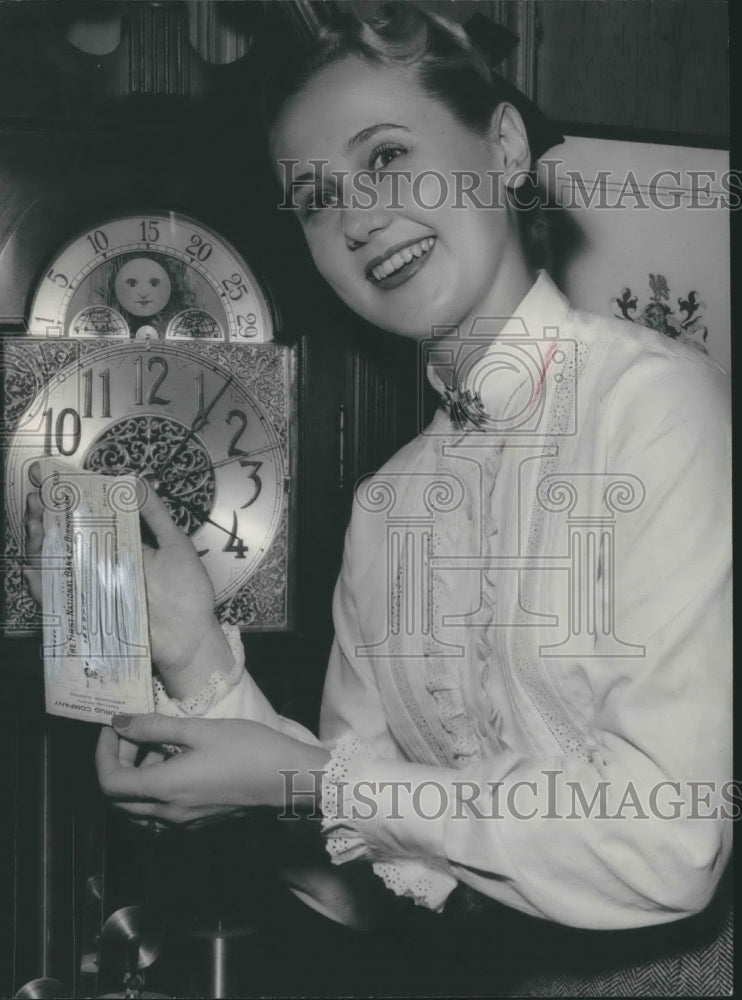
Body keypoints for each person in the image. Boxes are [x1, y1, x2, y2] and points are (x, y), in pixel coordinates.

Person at [24, 6, 732, 995]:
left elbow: (671, 844)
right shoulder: (388, 505)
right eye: (314, 198)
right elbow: (356, 881)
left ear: (504, 147)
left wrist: (300, 779)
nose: (356, 216)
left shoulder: (651, 405)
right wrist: (194, 659)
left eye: (387, 157)